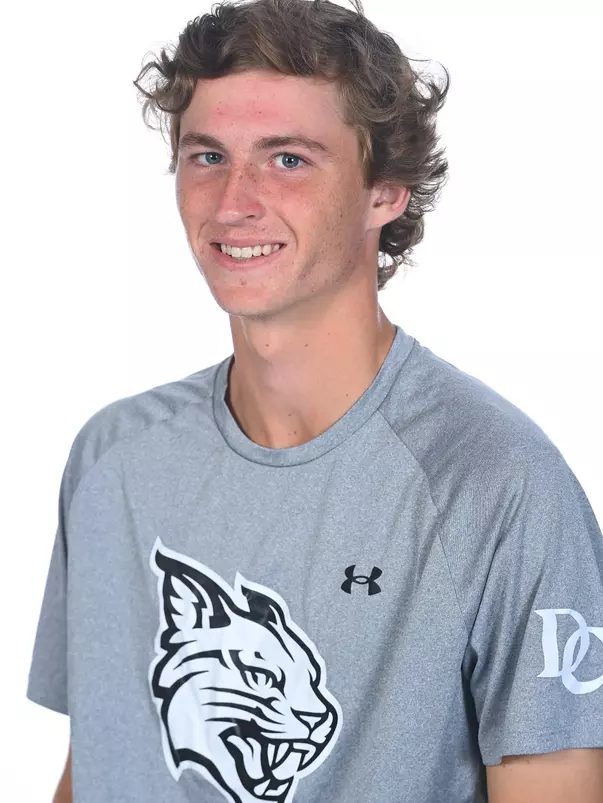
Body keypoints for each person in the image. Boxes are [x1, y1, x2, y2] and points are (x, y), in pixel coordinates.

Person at [27, 1, 603, 801]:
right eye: (207, 156)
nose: (233, 201)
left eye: (288, 159)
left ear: (385, 193)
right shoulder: (112, 458)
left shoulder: (497, 482)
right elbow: (95, 764)